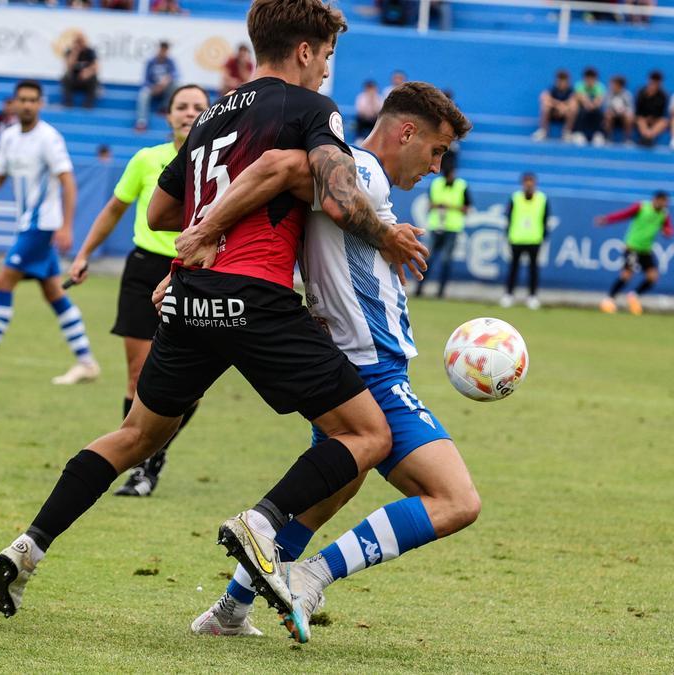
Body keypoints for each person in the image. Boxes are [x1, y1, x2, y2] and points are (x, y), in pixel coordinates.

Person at [0, 1, 429, 644]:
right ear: (305, 50)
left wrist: (212, 221)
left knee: (135, 433)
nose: (329, 69)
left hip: (192, 298)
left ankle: (28, 546)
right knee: (368, 435)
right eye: (328, 54)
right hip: (257, 297)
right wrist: (383, 232)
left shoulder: (211, 117)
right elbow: (333, 192)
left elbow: (164, 211)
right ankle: (266, 522)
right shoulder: (310, 111)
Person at [187, 81, 474, 640]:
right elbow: (284, 168)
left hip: (352, 363)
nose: (438, 167)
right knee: (456, 500)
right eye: (436, 150)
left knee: (335, 485)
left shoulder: (361, 182)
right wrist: (209, 231)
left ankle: (228, 610)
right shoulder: (358, 169)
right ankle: (310, 577)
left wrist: (385, 230)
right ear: (406, 131)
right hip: (373, 368)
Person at [68, 85, 211, 497]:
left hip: (196, 274)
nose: (189, 113)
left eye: (198, 107)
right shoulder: (146, 159)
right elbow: (113, 209)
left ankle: (153, 456)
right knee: (138, 376)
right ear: (167, 116)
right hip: (144, 270)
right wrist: (83, 254)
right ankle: (140, 465)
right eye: (181, 107)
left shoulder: (223, 161)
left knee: (190, 384)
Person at [0, 80, 98, 384]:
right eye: (22, 99)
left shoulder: (49, 139)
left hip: (42, 225)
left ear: (40, 104)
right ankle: (87, 361)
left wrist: (66, 225)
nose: (27, 105)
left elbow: (67, 181)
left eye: (32, 100)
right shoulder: (9, 137)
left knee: (3, 281)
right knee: (53, 292)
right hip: (27, 223)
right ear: (14, 103)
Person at [595, 190, 673, 315]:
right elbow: (624, 214)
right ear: (657, 199)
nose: (666, 205)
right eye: (664, 202)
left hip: (646, 250)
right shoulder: (642, 207)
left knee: (652, 277)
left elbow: (669, 229)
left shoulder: (664, 214)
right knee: (627, 275)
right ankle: (608, 300)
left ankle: (633, 297)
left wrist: (667, 232)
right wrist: (607, 219)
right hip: (632, 247)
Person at [417, 164, 468, 299]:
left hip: (452, 227)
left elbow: (467, 208)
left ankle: (441, 291)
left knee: (446, 260)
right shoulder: (436, 184)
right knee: (428, 258)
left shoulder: (462, 186)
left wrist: (450, 207)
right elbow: (429, 204)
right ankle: (419, 289)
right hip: (436, 226)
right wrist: (438, 205)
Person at [501, 172, 548, 310]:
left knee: (533, 270)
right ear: (522, 183)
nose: (528, 184)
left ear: (535, 183)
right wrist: (509, 235)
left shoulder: (542, 199)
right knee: (513, 269)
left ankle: (532, 296)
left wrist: (543, 236)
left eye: (531, 181)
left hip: (534, 239)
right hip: (517, 238)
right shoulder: (515, 197)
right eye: (526, 182)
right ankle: (508, 295)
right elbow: (508, 217)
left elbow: (545, 219)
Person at [135, 41, 179, 131]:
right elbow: (145, 79)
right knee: (143, 94)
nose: (163, 52)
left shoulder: (170, 61)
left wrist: (166, 80)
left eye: (165, 50)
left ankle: (165, 107)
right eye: (162, 50)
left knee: (175, 86)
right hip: (152, 88)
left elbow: (175, 74)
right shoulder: (151, 62)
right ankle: (141, 121)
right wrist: (153, 87)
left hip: (165, 88)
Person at [531, 69, 576, 142]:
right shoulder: (552, 89)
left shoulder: (571, 91)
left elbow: (573, 102)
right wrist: (559, 105)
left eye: (564, 81)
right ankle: (543, 131)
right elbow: (543, 97)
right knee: (545, 106)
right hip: (553, 113)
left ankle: (567, 132)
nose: (562, 83)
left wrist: (565, 107)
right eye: (560, 81)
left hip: (565, 114)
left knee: (573, 108)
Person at [61, 32, 99, 109]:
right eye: (77, 41)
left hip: (86, 79)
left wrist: (88, 72)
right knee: (65, 78)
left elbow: (96, 66)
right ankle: (68, 103)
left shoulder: (90, 51)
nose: (80, 44)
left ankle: (88, 105)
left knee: (94, 79)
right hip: (74, 79)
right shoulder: (69, 51)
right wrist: (75, 52)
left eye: (81, 41)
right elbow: (69, 66)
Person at [572, 67, 606, 146]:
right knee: (578, 110)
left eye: (592, 78)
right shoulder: (579, 85)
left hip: (595, 109)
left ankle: (598, 134)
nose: (590, 80)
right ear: (584, 78)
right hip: (582, 108)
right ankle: (578, 133)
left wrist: (593, 105)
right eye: (588, 78)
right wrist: (587, 104)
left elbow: (599, 100)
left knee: (599, 113)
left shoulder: (600, 86)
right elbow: (581, 97)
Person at [634, 70, 668, 148]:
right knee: (640, 120)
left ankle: (648, 137)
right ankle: (647, 137)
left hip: (656, 119)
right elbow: (638, 110)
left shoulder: (663, 95)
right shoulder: (641, 93)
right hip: (642, 118)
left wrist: (653, 118)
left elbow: (662, 113)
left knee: (664, 122)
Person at [602, 75, 633, 144]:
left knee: (629, 117)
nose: (611, 86)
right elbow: (606, 108)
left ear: (619, 85)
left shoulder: (627, 95)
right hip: (612, 116)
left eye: (613, 84)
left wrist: (623, 112)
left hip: (623, 116)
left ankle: (628, 139)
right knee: (608, 115)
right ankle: (608, 138)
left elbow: (630, 109)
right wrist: (613, 112)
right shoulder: (608, 94)